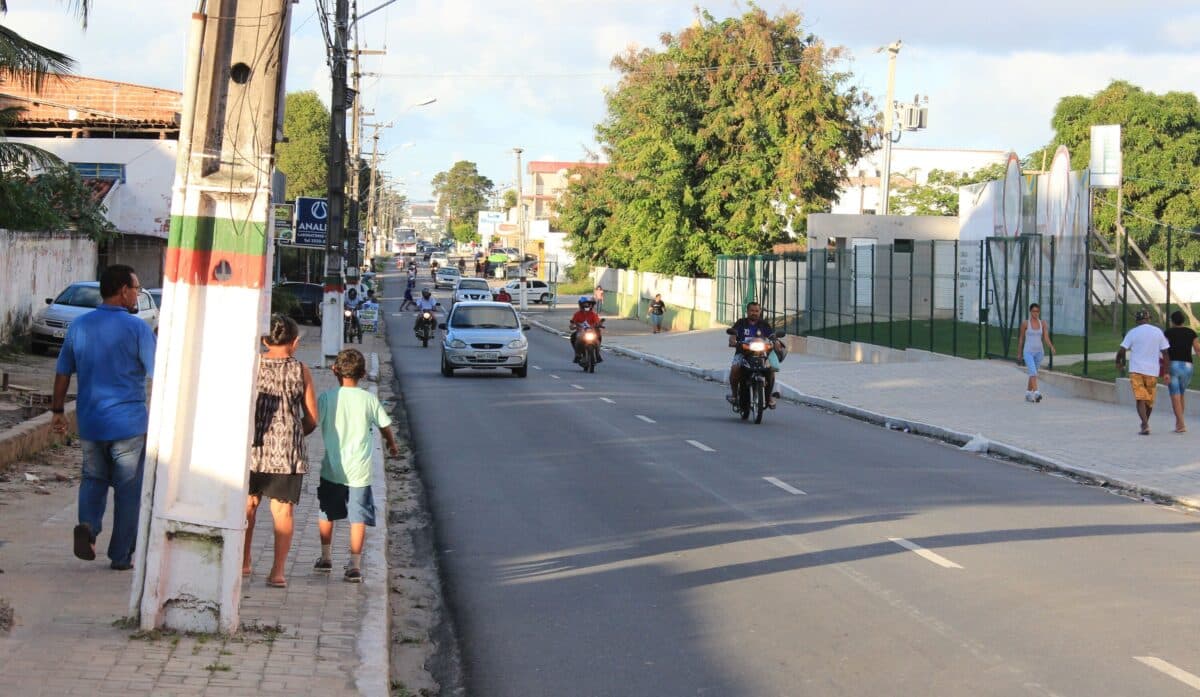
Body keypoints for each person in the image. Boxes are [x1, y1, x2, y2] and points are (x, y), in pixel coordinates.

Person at [51, 264, 155, 570]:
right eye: (136, 289)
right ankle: (120, 556)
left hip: (91, 421)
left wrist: (57, 411)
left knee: (93, 478)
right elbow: (158, 373)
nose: (137, 294)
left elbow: (62, 372)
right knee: (128, 490)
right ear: (123, 291)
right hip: (129, 424)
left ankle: (88, 526)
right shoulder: (138, 329)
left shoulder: (79, 326)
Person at [244, 314, 318, 587]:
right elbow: (312, 418)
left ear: (264, 340)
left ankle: (243, 562)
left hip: (252, 449)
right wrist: (294, 434)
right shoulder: (301, 370)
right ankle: (277, 573)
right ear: (295, 342)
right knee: (282, 512)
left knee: (247, 507)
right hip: (287, 454)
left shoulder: (252, 365)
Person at [315, 349, 400, 582]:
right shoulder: (368, 399)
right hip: (360, 472)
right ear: (363, 374)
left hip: (332, 469)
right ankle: (354, 566)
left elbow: (313, 422)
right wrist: (391, 444)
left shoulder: (326, 398)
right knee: (358, 517)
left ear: (334, 370)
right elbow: (384, 425)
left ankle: (325, 558)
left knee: (326, 513)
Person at [1116, 310, 1170, 436]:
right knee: (1149, 401)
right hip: (1152, 371)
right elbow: (1166, 353)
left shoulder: (1132, 332)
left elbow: (1122, 350)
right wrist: (1167, 372)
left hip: (1136, 370)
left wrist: (1118, 362)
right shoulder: (1158, 332)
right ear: (1149, 319)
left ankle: (1145, 424)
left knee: (1140, 398)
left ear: (1137, 320)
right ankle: (1145, 424)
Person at [727, 301, 777, 408]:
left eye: (756, 311)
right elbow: (733, 334)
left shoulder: (764, 324)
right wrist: (733, 340)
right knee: (735, 369)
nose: (754, 313)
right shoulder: (741, 323)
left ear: (760, 312)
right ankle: (734, 395)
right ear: (747, 311)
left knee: (771, 371)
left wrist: (776, 342)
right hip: (743, 353)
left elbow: (772, 336)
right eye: (752, 311)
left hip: (761, 354)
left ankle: (769, 397)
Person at [1164, 310, 1200, 433]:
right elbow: (1198, 349)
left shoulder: (1168, 332)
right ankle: (1178, 423)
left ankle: (1181, 424)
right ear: (1183, 321)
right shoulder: (1191, 332)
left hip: (1173, 366)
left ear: (1172, 321)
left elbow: (1164, 350)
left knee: (1175, 395)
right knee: (1181, 394)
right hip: (1187, 366)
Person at [1016, 302, 1056, 402]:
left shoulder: (1043, 323)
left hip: (1039, 352)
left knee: (1033, 373)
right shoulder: (1025, 323)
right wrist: (1019, 353)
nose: (1036, 313)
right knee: (1033, 371)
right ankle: (1037, 393)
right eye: (1034, 311)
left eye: (1037, 311)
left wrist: (1051, 346)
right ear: (1030, 312)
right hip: (1028, 352)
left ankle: (1028, 394)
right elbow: (1021, 339)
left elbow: (1046, 337)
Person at [569, 296, 602, 364]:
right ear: (581, 305)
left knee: (598, 337)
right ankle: (577, 354)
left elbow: (598, 322)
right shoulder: (577, 314)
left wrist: (599, 325)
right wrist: (572, 326)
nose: (587, 305)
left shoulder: (593, 314)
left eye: (589, 304)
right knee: (573, 337)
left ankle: (597, 354)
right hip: (581, 332)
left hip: (591, 332)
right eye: (585, 304)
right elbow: (572, 323)